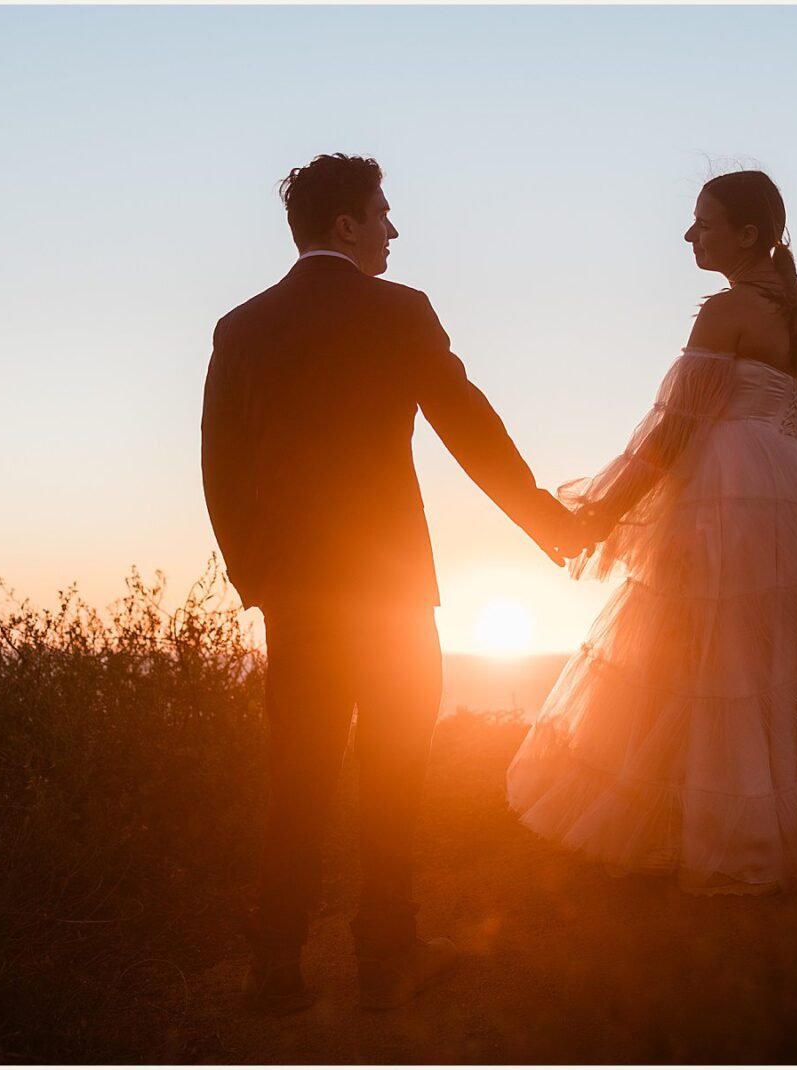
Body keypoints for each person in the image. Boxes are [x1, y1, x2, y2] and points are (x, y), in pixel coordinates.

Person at [506, 170, 797, 896]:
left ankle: (723, 831)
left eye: (702, 222)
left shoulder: (726, 312)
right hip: (796, 493)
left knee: (705, 655)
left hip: (730, 494)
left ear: (749, 234)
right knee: (776, 658)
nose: (689, 234)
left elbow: (670, 434)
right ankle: (790, 827)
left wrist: (604, 511)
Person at [201, 153, 584, 1014]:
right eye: (382, 214)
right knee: (395, 773)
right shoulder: (399, 312)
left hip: (297, 597)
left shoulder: (241, 326)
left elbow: (219, 472)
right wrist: (550, 526)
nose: (392, 231)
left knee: (295, 780)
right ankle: (386, 956)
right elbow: (471, 429)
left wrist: (258, 578)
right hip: (392, 593)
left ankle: (275, 972)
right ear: (346, 225)